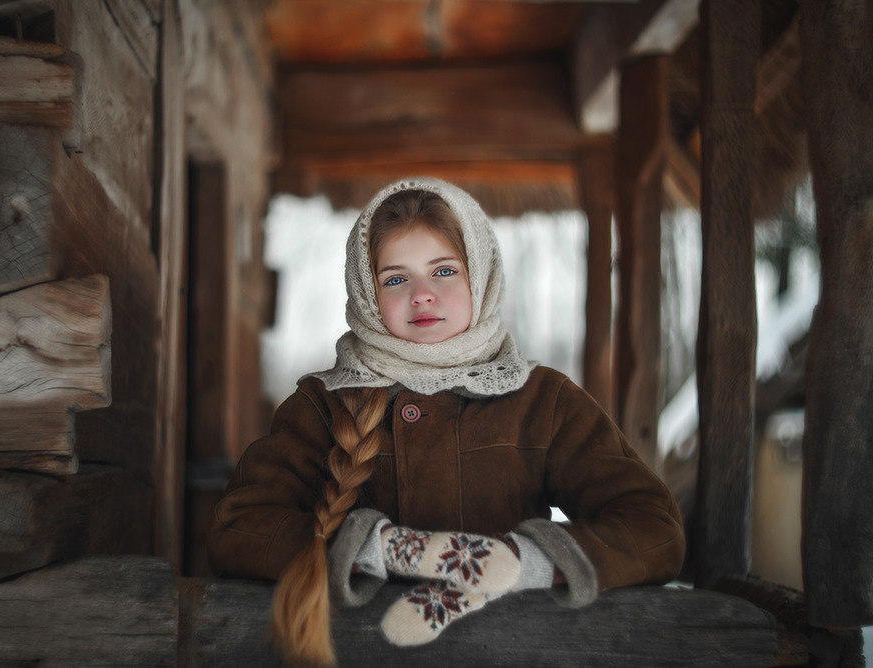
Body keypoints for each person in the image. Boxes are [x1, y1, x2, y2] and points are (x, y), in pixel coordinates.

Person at [207, 178, 685, 666]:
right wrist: (388, 549)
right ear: (366, 294)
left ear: (481, 274)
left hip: (515, 655)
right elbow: (237, 528)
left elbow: (654, 529)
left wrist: (520, 565)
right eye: (396, 279)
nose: (422, 295)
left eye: (444, 271)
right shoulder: (321, 404)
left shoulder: (545, 401)